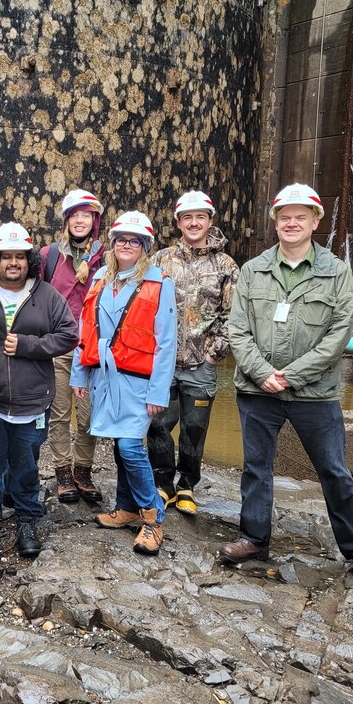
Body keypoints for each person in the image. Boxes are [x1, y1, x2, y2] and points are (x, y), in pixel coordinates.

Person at [222, 184, 353, 584]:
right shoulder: (253, 270)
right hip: (257, 389)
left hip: (315, 393)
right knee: (256, 468)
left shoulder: (336, 271)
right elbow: (238, 329)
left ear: (316, 221)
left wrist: (291, 376)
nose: (291, 223)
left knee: (333, 470)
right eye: (284, 216)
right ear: (275, 222)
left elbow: (338, 335)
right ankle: (254, 538)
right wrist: (262, 372)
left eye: (300, 216)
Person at [71, 211, 176, 556]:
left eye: (134, 241)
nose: (126, 246)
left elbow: (166, 343)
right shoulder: (101, 277)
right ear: (112, 245)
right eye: (121, 240)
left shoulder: (160, 283)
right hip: (105, 377)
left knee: (130, 447)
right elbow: (87, 328)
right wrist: (79, 373)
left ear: (144, 247)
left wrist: (159, 392)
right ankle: (127, 507)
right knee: (119, 444)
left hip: (138, 382)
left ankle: (153, 518)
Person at [0, 223, 78, 561]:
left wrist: (30, 345)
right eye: (6, 257)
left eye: (20, 256)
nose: (13, 263)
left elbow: (69, 335)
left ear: (29, 259)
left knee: (27, 466)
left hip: (33, 401)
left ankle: (27, 521)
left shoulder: (46, 294)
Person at [146, 191, 238, 516]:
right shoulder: (161, 260)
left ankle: (186, 485)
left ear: (210, 221)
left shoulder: (225, 265)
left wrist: (215, 353)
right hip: (164, 361)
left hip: (202, 362)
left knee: (194, 428)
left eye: (200, 217)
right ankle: (163, 483)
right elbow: (145, 307)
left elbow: (234, 315)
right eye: (188, 217)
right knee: (158, 424)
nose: (194, 223)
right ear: (179, 222)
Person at [41, 188, 107, 504]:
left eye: (86, 215)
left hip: (92, 348)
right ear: (67, 220)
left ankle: (83, 470)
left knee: (89, 415)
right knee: (59, 412)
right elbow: (35, 296)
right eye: (75, 215)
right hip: (58, 346)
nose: (80, 221)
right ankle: (62, 473)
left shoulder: (106, 259)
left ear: (94, 221)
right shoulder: (49, 255)